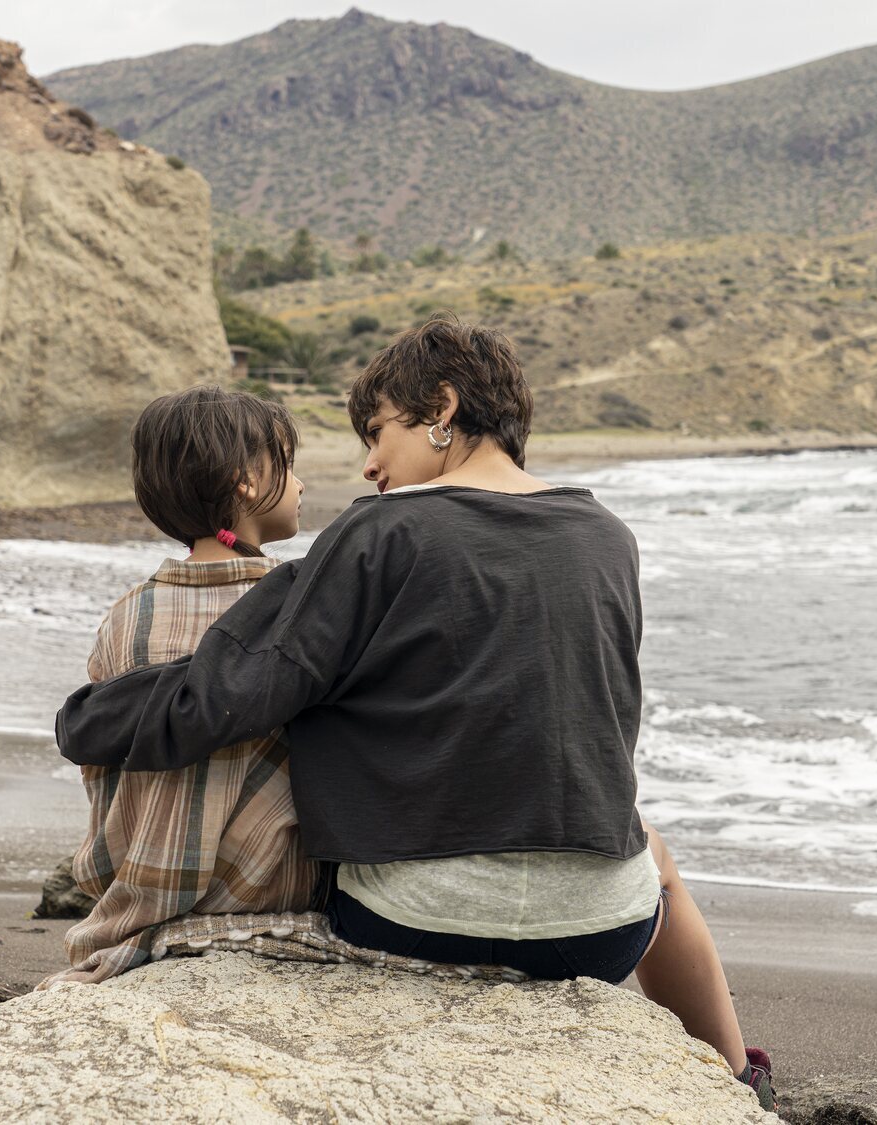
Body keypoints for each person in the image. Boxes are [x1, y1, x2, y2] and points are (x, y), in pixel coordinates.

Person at [58, 316, 773, 1109]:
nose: (369, 463)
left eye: (378, 431)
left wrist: (85, 717)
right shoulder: (609, 536)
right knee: (655, 857)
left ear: (442, 406)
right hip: (602, 932)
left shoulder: (376, 533)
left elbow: (229, 691)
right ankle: (738, 1081)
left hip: (411, 922)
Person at [45, 385, 317, 987]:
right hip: (264, 885)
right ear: (247, 480)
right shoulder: (302, 607)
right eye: (289, 466)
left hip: (131, 876)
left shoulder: (126, 616)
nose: (301, 484)